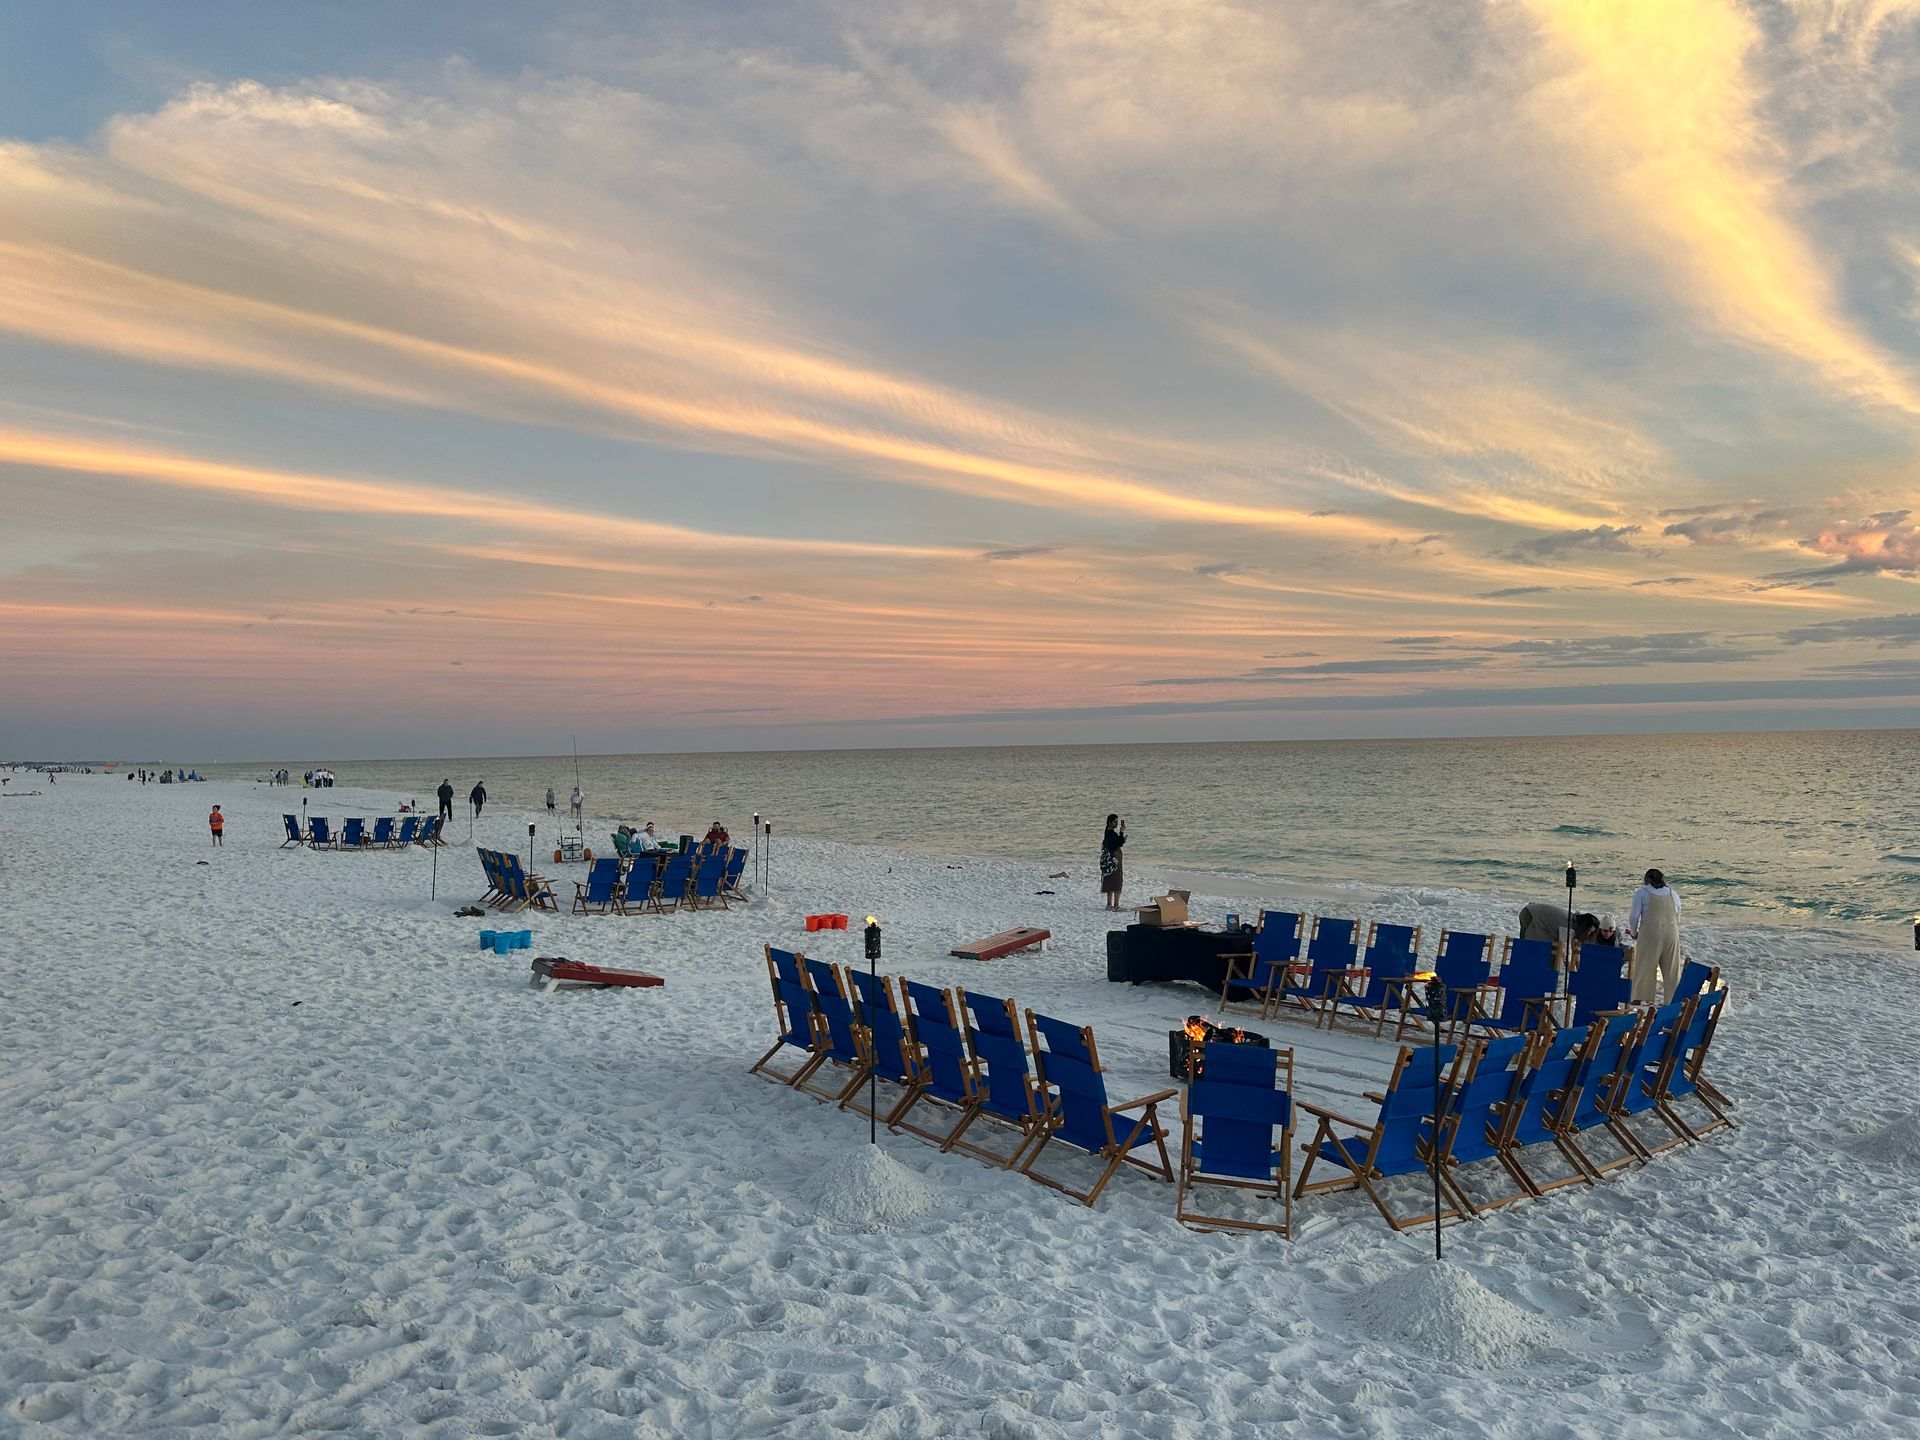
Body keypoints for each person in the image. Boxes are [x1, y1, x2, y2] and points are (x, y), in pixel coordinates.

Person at [1628, 868, 1683, 1004]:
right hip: (1672, 933)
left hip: (1651, 934)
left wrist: (1633, 933)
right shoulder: (1673, 893)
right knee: (1672, 971)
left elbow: (1634, 916)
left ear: (1647, 880)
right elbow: (1678, 917)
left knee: (1645, 968)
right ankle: (1673, 1003)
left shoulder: (1642, 892)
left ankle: (1643, 1002)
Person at [1516, 901, 1617, 959]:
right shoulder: (1569, 927)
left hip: (1534, 914)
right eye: (1589, 931)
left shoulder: (1575, 921)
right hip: (1531, 915)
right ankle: (1522, 964)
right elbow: (1563, 948)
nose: (1590, 933)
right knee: (1527, 945)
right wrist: (1570, 967)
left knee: (1548, 947)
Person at [1100, 814, 1126, 910]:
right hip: (1114, 858)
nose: (1116, 823)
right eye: (1115, 822)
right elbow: (1118, 843)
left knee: (1109, 879)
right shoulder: (1110, 833)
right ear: (1110, 822)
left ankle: (1109, 904)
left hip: (1109, 859)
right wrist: (1122, 833)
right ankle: (1116, 904)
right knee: (1117, 880)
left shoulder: (1108, 832)